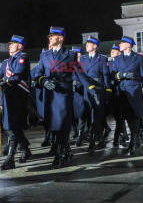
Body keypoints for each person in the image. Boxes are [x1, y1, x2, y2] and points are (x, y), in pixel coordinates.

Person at [33, 26, 96, 168]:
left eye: (52, 35)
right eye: (49, 36)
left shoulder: (71, 55)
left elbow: (80, 75)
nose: (49, 37)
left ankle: (60, 154)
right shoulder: (44, 56)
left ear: (60, 38)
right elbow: (37, 72)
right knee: (52, 126)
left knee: (61, 125)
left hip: (63, 94)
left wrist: (93, 90)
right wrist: (43, 81)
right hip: (49, 94)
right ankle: (66, 150)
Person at [109, 36, 143, 155]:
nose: (120, 44)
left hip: (135, 91)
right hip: (122, 92)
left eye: (122, 43)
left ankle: (133, 140)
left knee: (134, 116)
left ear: (129, 45)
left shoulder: (138, 58)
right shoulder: (117, 58)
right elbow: (113, 75)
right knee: (124, 116)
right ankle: (132, 138)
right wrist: (121, 75)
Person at [0, 35, 32, 170]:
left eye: (12, 44)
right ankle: (25, 150)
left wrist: (3, 82)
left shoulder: (23, 58)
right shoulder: (6, 61)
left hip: (17, 97)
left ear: (19, 46)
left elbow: (17, 75)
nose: (9, 45)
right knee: (13, 127)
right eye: (9, 43)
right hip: (7, 98)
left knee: (12, 127)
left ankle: (10, 159)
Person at [78, 36, 111, 153]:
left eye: (89, 44)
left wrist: (108, 90)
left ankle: (99, 139)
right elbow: (80, 75)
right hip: (87, 89)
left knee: (98, 114)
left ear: (95, 46)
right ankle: (92, 138)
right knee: (89, 113)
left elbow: (106, 75)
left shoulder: (102, 58)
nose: (86, 45)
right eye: (86, 44)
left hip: (98, 88)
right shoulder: (82, 59)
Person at [108, 44, 128, 147]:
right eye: (111, 50)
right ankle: (123, 133)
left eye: (114, 50)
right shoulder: (109, 63)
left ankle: (118, 136)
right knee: (117, 115)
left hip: (120, 91)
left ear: (119, 52)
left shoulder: (122, 62)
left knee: (120, 115)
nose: (112, 52)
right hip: (112, 92)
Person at [71, 46, 88, 147]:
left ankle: (81, 135)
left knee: (81, 114)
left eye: (77, 55)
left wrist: (77, 83)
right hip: (72, 93)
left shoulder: (83, 64)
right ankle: (76, 132)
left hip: (81, 92)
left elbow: (86, 78)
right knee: (72, 114)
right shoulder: (69, 65)